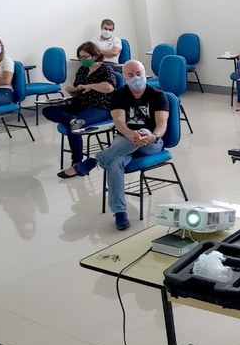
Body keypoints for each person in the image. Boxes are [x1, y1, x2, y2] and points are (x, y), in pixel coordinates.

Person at [71, 60, 169, 230]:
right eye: (130, 75)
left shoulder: (158, 95)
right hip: (125, 140)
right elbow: (119, 122)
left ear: (145, 73)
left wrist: (153, 136)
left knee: (144, 130)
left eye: (139, 73)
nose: (136, 77)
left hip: (150, 143)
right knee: (115, 163)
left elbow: (162, 124)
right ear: (124, 77)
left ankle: (95, 160)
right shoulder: (119, 95)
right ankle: (120, 213)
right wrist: (130, 133)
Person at [43, 41, 116, 178]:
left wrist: (90, 85)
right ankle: (70, 119)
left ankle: (77, 163)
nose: (83, 60)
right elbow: (78, 91)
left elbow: (109, 87)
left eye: (86, 57)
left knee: (75, 127)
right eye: (81, 57)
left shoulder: (106, 69)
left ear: (95, 55)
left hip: (101, 107)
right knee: (47, 110)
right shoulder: (82, 70)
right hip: (81, 103)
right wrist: (73, 90)